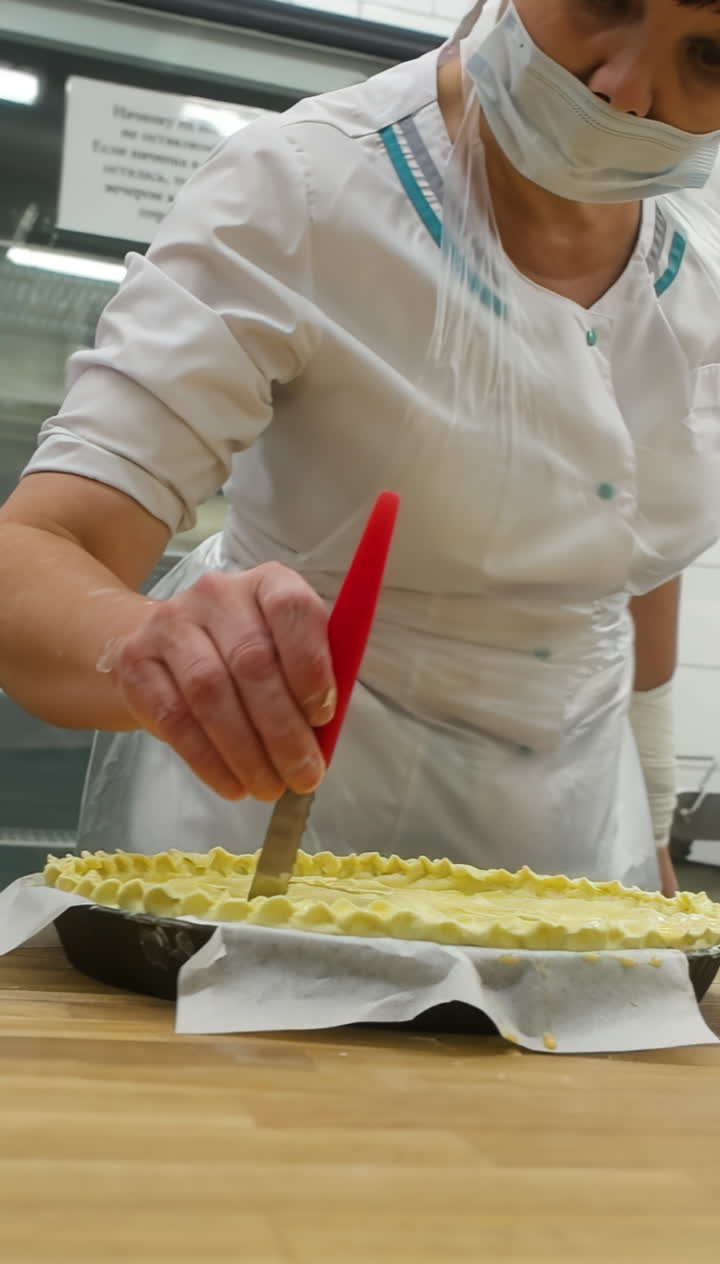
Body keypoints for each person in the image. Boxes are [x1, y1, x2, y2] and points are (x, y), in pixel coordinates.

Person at [2, 0, 720, 893]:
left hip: (567, 861)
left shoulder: (698, 274)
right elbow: (35, 553)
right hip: (282, 851)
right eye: (604, 1)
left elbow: (625, 561)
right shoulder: (306, 188)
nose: (625, 91)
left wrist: (652, 820)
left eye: (709, 56)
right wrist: (161, 648)